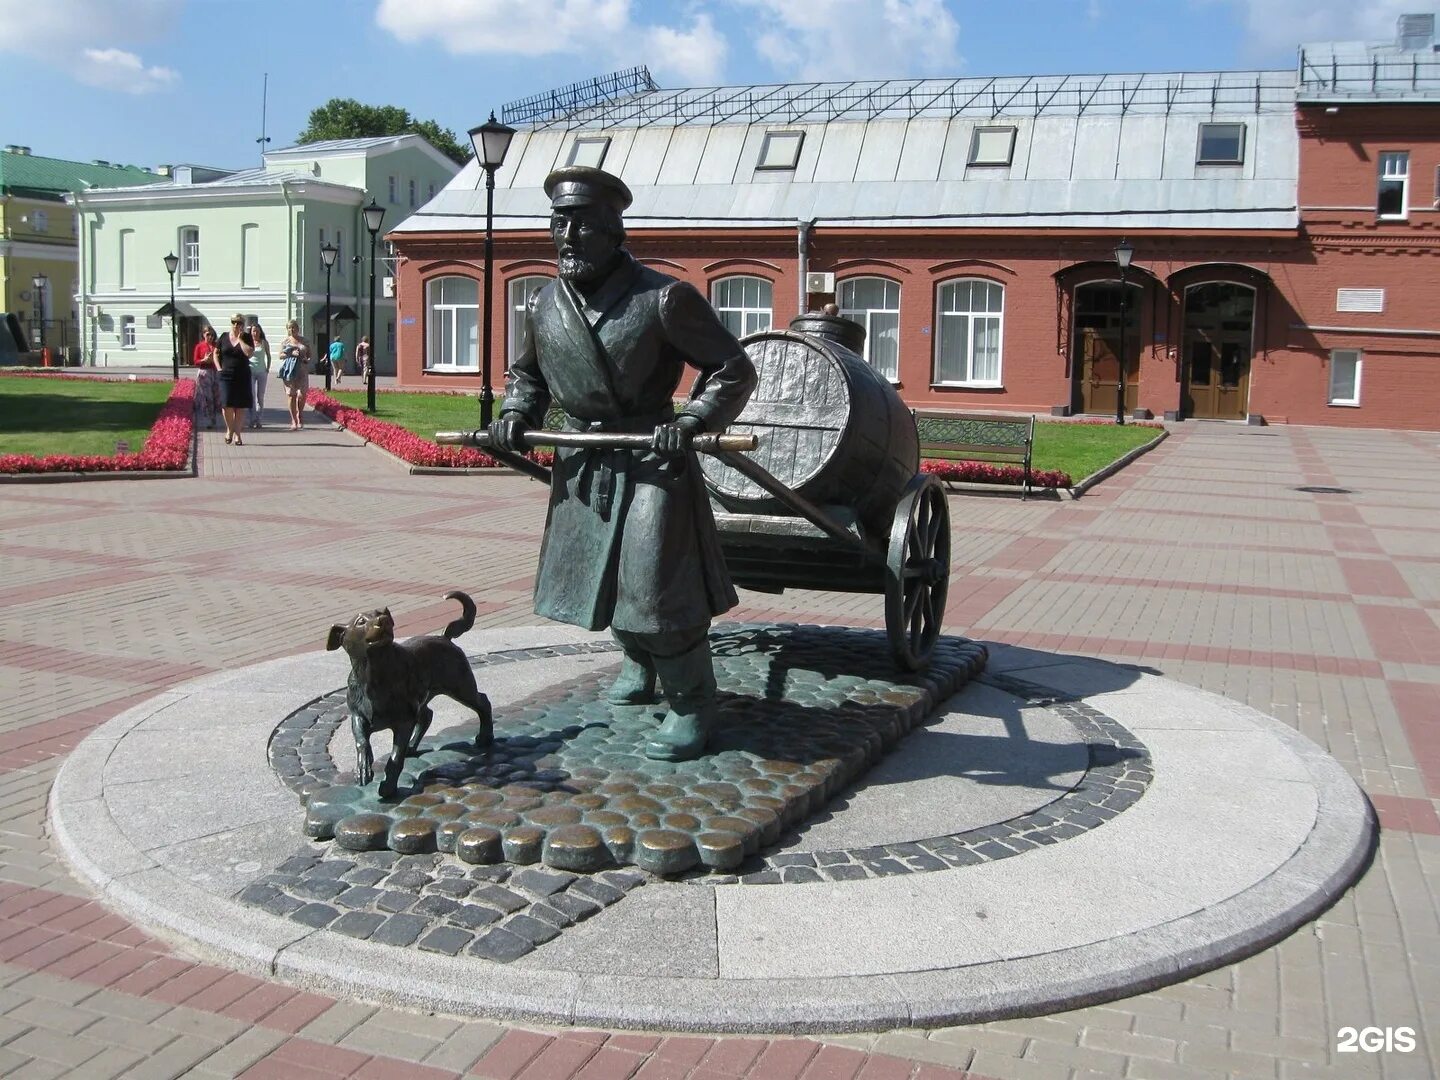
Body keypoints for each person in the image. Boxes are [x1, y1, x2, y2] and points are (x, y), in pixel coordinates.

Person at [488, 166, 756, 762]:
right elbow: (527, 374)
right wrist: (514, 411)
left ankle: (693, 702)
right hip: (585, 457)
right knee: (605, 578)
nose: (567, 238)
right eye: (559, 223)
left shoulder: (662, 298)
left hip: (649, 457)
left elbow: (733, 368)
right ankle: (638, 665)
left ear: (613, 231)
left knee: (655, 585)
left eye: (581, 225)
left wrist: (689, 422)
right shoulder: (544, 302)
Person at [216, 314, 254, 445]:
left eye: (238, 323)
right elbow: (216, 353)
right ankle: (229, 430)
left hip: (242, 375)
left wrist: (241, 339)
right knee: (226, 405)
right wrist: (218, 368)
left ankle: (237, 434)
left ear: (242, 324)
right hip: (226, 375)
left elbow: (249, 353)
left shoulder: (247, 337)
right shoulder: (223, 336)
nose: (236, 325)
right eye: (233, 322)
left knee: (240, 406)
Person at [280, 320, 311, 430]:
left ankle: (300, 414)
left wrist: (306, 359)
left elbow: (309, 355)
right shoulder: (285, 342)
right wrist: (290, 353)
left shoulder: (305, 341)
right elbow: (280, 355)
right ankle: (294, 420)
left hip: (302, 370)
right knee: (291, 395)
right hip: (290, 371)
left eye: (293, 327)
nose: (291, 330)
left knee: (301, 395)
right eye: (289, 328)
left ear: (298, 328)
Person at [192, 325, 221, 430]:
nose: (210, 337)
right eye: (208, 334)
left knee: (216, 397)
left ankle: (214, 418)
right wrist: (204, 360)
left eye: (212, 335)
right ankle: (210, 420)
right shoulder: (199, 346)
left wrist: (215, 360)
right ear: (203, 334)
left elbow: (221, 359)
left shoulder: (216, 345)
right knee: (207, 397)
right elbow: (195, 361)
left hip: (215, 372)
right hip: (204, 372)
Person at [248, 322, 271, 429]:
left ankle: (259, 419)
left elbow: (268, 355)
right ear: (250, 332)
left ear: (260, 331)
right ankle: (252, 420)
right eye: (253, 331)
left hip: (262, 371)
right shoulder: (248, 342)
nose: (255, 333)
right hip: (250, 371)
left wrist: (268, 368)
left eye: (257, 331)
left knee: (260, 397)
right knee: (251, 396)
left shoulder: (263, 342)